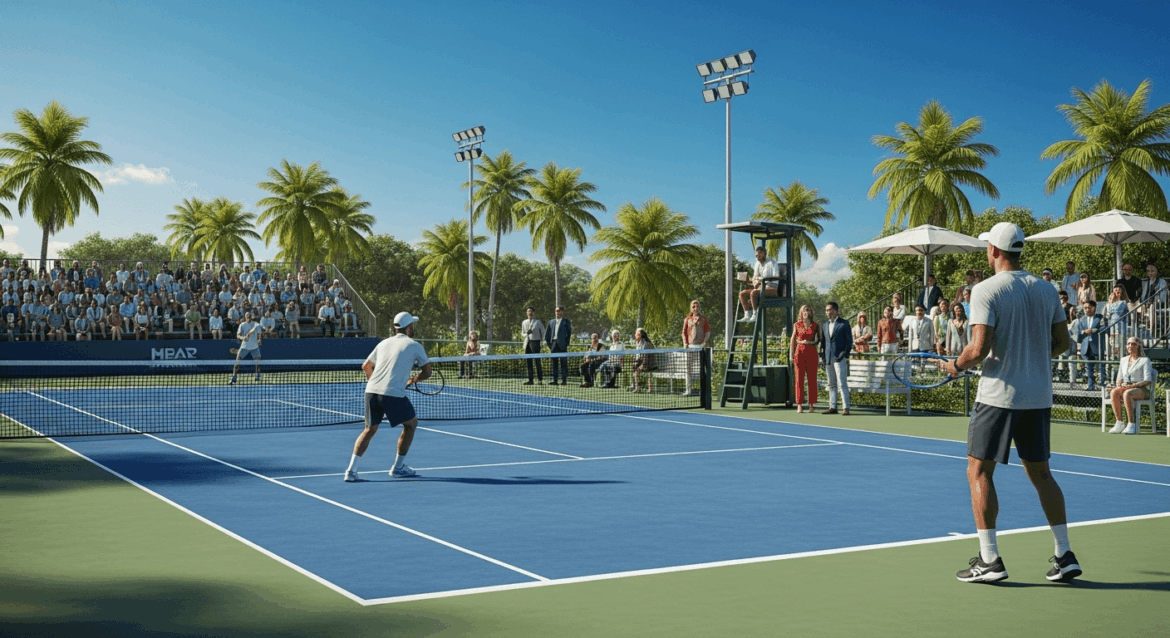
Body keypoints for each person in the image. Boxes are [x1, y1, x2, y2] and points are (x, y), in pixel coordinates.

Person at [943, 221, 1080, 584]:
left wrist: (954, 365)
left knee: (978, 472)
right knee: (1042, 474)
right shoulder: (1047, 289)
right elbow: (1062, 343)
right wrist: (1031, 356)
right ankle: (1064, 554)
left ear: (994, 250)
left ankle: (989, 560)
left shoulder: (985, 289)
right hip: (1038, 396)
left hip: (998, 398)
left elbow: (977, 349)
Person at [343, 311, 430, 482]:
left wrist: (376, 383)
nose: (414, 327)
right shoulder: (415, 345)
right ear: (408, 327)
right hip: (392, 393)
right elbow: (427, 372)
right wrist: (414, 379)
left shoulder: (383, 343)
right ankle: (398, 468)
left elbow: (366, 366)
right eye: (412, 325)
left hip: (371, 391)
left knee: (369, 429)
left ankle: (351, 471)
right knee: (411, 424)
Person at [1106, 338, 1154, 435]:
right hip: (1126, 387)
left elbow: (1148, 380)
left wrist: (1132, 386)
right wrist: (1118, 385)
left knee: (1127, 393)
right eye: (1128, 344)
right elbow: (1119, 377)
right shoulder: (1123, 360)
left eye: (1133, 344)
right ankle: (1119, 423)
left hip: (1141, 389)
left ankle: (1131, 424)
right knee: (1114, 392)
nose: (1130, 346)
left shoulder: (1145, 360)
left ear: (1138, 345)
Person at [820, 302, 853, 415]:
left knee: (842, 383)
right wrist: (823, 357)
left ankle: (846, 407)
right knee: (831, 384)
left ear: (836, 311)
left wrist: (843, 354)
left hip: (839, 358)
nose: (828, 312)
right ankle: (832, 406)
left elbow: (849, 342)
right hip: (828, 358)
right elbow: (823, 343)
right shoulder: (824, 325)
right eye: (826, 310)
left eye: (830, 310)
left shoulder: (844, 323)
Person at [790, 305, 820, 413]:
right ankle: (799, 404)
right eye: (804, 310)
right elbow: (793, 339)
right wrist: (791, 355)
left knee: (812, 379)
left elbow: (818, 340)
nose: (806, 312)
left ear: (811, 312)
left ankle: (811, 404)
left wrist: (810, 342)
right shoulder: (797, 325)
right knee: (799, 378)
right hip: (799, 352)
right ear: (801, 312)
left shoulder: (815, 325)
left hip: (811, 352)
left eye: (808, 310)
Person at [737, 245, 779, 322]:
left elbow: (776, 276)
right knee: (742, 293)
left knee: (754, 292)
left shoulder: (772, 262)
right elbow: (755, 277)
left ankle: (755, 314)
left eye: (759, 255)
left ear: (764, 254)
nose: (758, 257)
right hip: (760, 287)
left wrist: (761, 280)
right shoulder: (757, 264)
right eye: (756, 255)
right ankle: (747, 314)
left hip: (771, 288)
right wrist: (750, 281)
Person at [1072, 300, 1106, 391]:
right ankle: (1091, 386)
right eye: (1085, 308)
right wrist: (1083, 332)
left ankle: (1102, 386)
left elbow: (1104, 328)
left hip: (1097, 345)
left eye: (1089, 307)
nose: (1087, 309)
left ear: (1094, 308)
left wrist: (1093, 330)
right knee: (1088, 368)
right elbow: (1078, 331)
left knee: (1101, 366)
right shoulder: (1081, 319)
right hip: (1086, 346)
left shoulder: (1100, 318)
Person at [680, 300, 711, 397]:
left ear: (700, 307)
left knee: (701, 369)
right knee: (688, 369)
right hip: (690, 347)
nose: (695, 308)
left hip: (700, 347)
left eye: (697, 306)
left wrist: (704, 342)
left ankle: (702, 390)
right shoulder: (687, 319)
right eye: (693, 306)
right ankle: (688, 390)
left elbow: (708, 332)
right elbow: (683, 333)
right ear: (691, 308)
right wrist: (685, 343)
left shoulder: (704, 318)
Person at [229, 311, 262, 385]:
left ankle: (257, 375)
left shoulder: (256, 324)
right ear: (245, 317)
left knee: (258, 362)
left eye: (249, 315)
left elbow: (259, 334)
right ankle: (234, 376)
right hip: (244, 346)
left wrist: (259, 340)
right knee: (237, 362)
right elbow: (238, 335)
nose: (248, 316)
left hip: (254, 347)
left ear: (251, 317)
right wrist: (243, 338)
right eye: (247, 315)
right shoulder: (242, 325)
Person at [545, 306, 572, 385]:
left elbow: (569, 334)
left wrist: (566, 343)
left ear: (562, 312)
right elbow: (547, 335)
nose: (558, 313)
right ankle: (555, 380)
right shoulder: (551, 322)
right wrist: (550, 344)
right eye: (556, 311)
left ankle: (564, 380)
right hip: (553, 344)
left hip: (562, 345)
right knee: (554, 363)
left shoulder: (566, 322)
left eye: (559, 311)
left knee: (563, 363)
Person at [520, 307, 545, 385]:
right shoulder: (524, 322)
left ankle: (540, 380)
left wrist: (542, 342)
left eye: (531, 311)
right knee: (529, 362)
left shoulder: (538, 322)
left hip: (536, 342)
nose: (529, 313)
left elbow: (543, 333)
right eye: (528, 312)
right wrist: (526, 334)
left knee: (537, 361)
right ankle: (530, 380)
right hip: (528, 343)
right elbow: (522, 333)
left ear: (534, 313)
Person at [629, 328, 658, 393]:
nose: (635, 335)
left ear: (639, 335)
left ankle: (638, 388)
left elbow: (646, 357)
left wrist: (641, 366)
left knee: (637, 372)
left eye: (636, 334)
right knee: (634, 368)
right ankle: (634, 385)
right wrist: (635, 361)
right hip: (644, 362)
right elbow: (639, 356)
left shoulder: (646, 344)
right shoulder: (639, 343)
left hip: (650, 364)